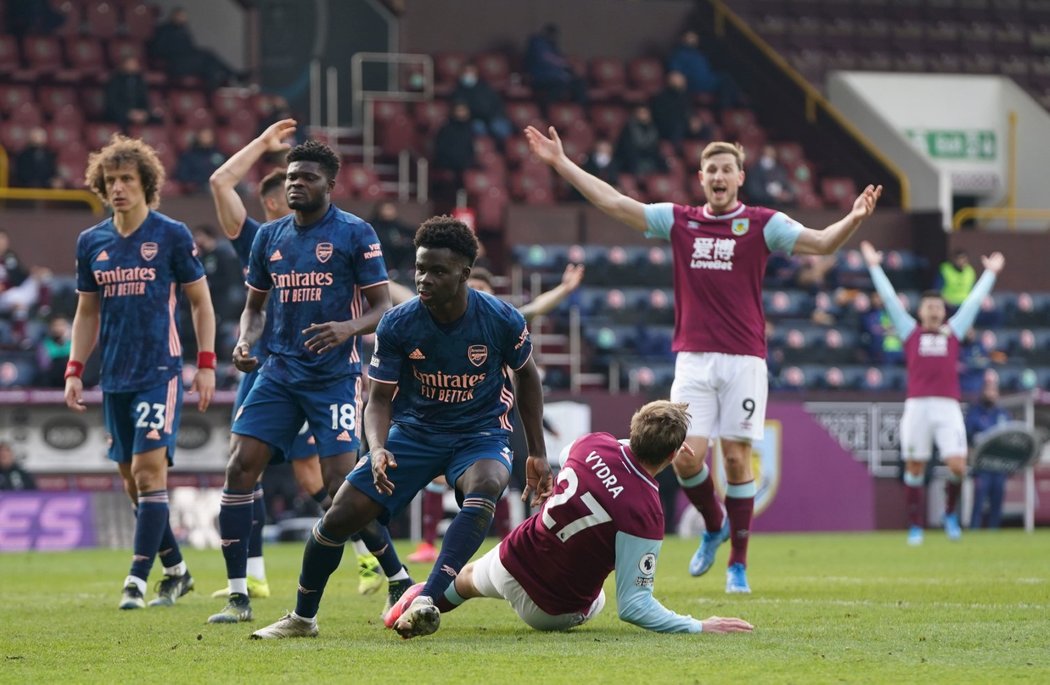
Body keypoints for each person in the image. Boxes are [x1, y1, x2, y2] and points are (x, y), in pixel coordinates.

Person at [526, 125, 882, 592]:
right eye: (711, 169)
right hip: (693, 358)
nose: (718, 175)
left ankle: (738, 563)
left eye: (726, 169)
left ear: (739, 176)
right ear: (700, 177)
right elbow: (615, 203)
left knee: (736, 459)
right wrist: (561, 163)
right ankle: (713, 525)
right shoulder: (680, 220)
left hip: (745, 359)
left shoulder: (762, 223)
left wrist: (853, 218)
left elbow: (820, 243)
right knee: (686, 456)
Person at [249, 216, 553, 640]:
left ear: (464, 275)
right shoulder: (397, 323)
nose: (425, 279)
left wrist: (536, 450)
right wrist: (376, 448)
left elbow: (527, 376)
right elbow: (377, 400)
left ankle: (427, 597)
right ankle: (302, 618)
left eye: (438, 271)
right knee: (341, 515)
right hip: (414, 433)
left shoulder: (500, 319)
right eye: (420, 269)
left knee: (487, 482)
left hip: (479, 433)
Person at [206, 138, 400, 624]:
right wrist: (245, 343)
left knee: (340, 487)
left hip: (333, 377)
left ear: (329, 185)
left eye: (306, 177)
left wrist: (346, 329)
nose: (295, 183)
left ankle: (395, 575)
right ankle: (238, 595)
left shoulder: (356, 233)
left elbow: (383, 308)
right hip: (277, 373)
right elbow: (253, 309)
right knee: (239, 467)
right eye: (291, 176)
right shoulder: (268, 237)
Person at [386, 401, 754, 638]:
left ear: (634, 427)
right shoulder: (647, 511)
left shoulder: (591, 443)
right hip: (549, 609)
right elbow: (635, 607)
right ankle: (419, 607)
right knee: (604, 599)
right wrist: (699, 625)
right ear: (674, 454)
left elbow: (611, 453)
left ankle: (414, 605)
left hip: (510, 560)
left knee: (464, 579)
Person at [66, 134, 216, 609]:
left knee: (151, 475)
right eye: (110, 180)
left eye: (127, 179)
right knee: (131, 480)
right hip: (114, 375)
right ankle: (177, 570)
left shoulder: (171, 234)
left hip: (160, 370)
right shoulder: (91, 242)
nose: (118, 188)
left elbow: (201, 302)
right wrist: (75, 368)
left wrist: (207, 363)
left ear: (146, 183)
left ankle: (135, 578)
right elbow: (86, 312)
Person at [407, 263, 585, 564]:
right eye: (471, 285)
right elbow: (402, 298)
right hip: (445, 412)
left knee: (498, 480)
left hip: (491, 417)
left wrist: (565, 289)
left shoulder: (499, 319)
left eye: (483, 288)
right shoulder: (435, 317)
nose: (476, 291)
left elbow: (535, 308)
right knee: (437, 477)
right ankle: (428, 545)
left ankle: (508, 544)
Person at [860, 240, 1003, 545]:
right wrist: (874, 266)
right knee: (915, 466)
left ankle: (950, 514)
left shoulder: (954, 331)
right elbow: (888, 298)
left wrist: (989, 273)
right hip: (918, 407)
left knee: (957, 466)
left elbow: (973, 302)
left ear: (943, 311)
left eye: (938, 306)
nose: (935, 311)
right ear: (921, 311)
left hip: (947, 407)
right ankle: (915, 524)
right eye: (929, 306)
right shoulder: (909, 331)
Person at [965, 373, 1011, 529]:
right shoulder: (975, 412)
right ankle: (974, 530)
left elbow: (1009, 437)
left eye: (994, 391)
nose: (991, 394)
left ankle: (994, 532)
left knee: (997, 501)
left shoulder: (1003, 414)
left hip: (999, 465)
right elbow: (970, 434)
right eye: (988, 390)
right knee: (979, 500)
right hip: (982, 465)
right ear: (983, 392)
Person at [667, 30, 740, 109]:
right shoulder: (678, 54)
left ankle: (734, 105)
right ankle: (725, 109)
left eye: (694, 38)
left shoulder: (698, 53)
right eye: (690, 38)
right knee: (726, 79)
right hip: (694, 84)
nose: (693, 40)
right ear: (683, 39)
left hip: (708, 81)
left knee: (726, 78)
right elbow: (675, 73)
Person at [524, 23, 587, 108]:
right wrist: (567, 61)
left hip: (557, 77)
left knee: (579, 83)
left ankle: (580, 112)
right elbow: (547, 58)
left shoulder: (552, 45)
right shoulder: (536, 42)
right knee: (559, 85)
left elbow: (560, 60)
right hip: (540, 78)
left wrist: (570, 67)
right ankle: (544, 110)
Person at [450, 63, 513, 145]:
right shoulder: (458, 91)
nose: (469, 74)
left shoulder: (485, 87)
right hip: (474, 120)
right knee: (479, 128)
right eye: (466, 72)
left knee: (500, 128)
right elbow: (461, 111)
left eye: (472, 71)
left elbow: (497, 104)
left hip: (492, 117)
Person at [615, 105, 667, 177]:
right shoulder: (629, 129)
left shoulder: (654, 128)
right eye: (641, 113)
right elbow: (627, 149)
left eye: (645, 113)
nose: (644, 116)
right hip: (634, 159)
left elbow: (656, 147)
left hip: (651, 158)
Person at [103, 56, 154, 129]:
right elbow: (112, 103)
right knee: (122, 120)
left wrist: (144, 113)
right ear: (124, 65)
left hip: (137, 113)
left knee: (155, 118)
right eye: (130, 63)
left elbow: (144, 99)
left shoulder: (140, 81)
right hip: (120, 112)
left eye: (135, 64)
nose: (134, 66)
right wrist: (129, 113)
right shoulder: (114, 81)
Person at [175, 129, 226, 194]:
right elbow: (183, 175)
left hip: (218, 184)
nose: (207, 139)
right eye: (204, 137)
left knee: (238, 187)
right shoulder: (189, 155)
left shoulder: (218, 154)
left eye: (209, 136)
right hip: (199, 186)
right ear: (198, 138)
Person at [649, 71, 691, 148]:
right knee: (677, 127)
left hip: (684, 125)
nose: (681, 82)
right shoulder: (661, 97)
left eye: (682, 80)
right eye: (677, 80)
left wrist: (693, 121)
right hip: (666, 128)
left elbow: (689, 112)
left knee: (705, 129)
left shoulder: (685, 96)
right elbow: (660, 117)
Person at [35, 314, 72, 387]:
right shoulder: (44, 344)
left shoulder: (72, 344)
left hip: (69, 378)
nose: (58, 328)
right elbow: (44, 366)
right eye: (56, 325)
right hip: (51, 379)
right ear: (51, 328)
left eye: (61, 325)